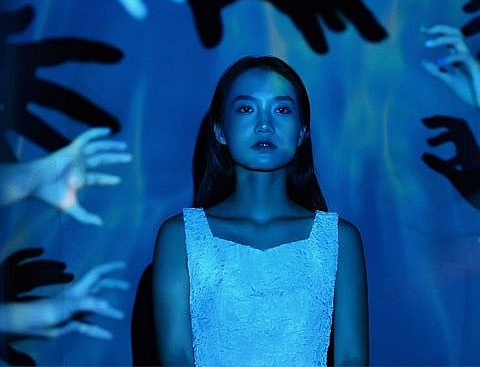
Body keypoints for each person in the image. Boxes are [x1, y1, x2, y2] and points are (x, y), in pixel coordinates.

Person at [152, 56, 368, 367]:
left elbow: (352, 357)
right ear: (220, 130)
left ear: (302, 131)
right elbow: (176, 355)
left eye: (282, 110)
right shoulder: (180, 237)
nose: (264, 125)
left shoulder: (338, 239)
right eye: (245, 109)